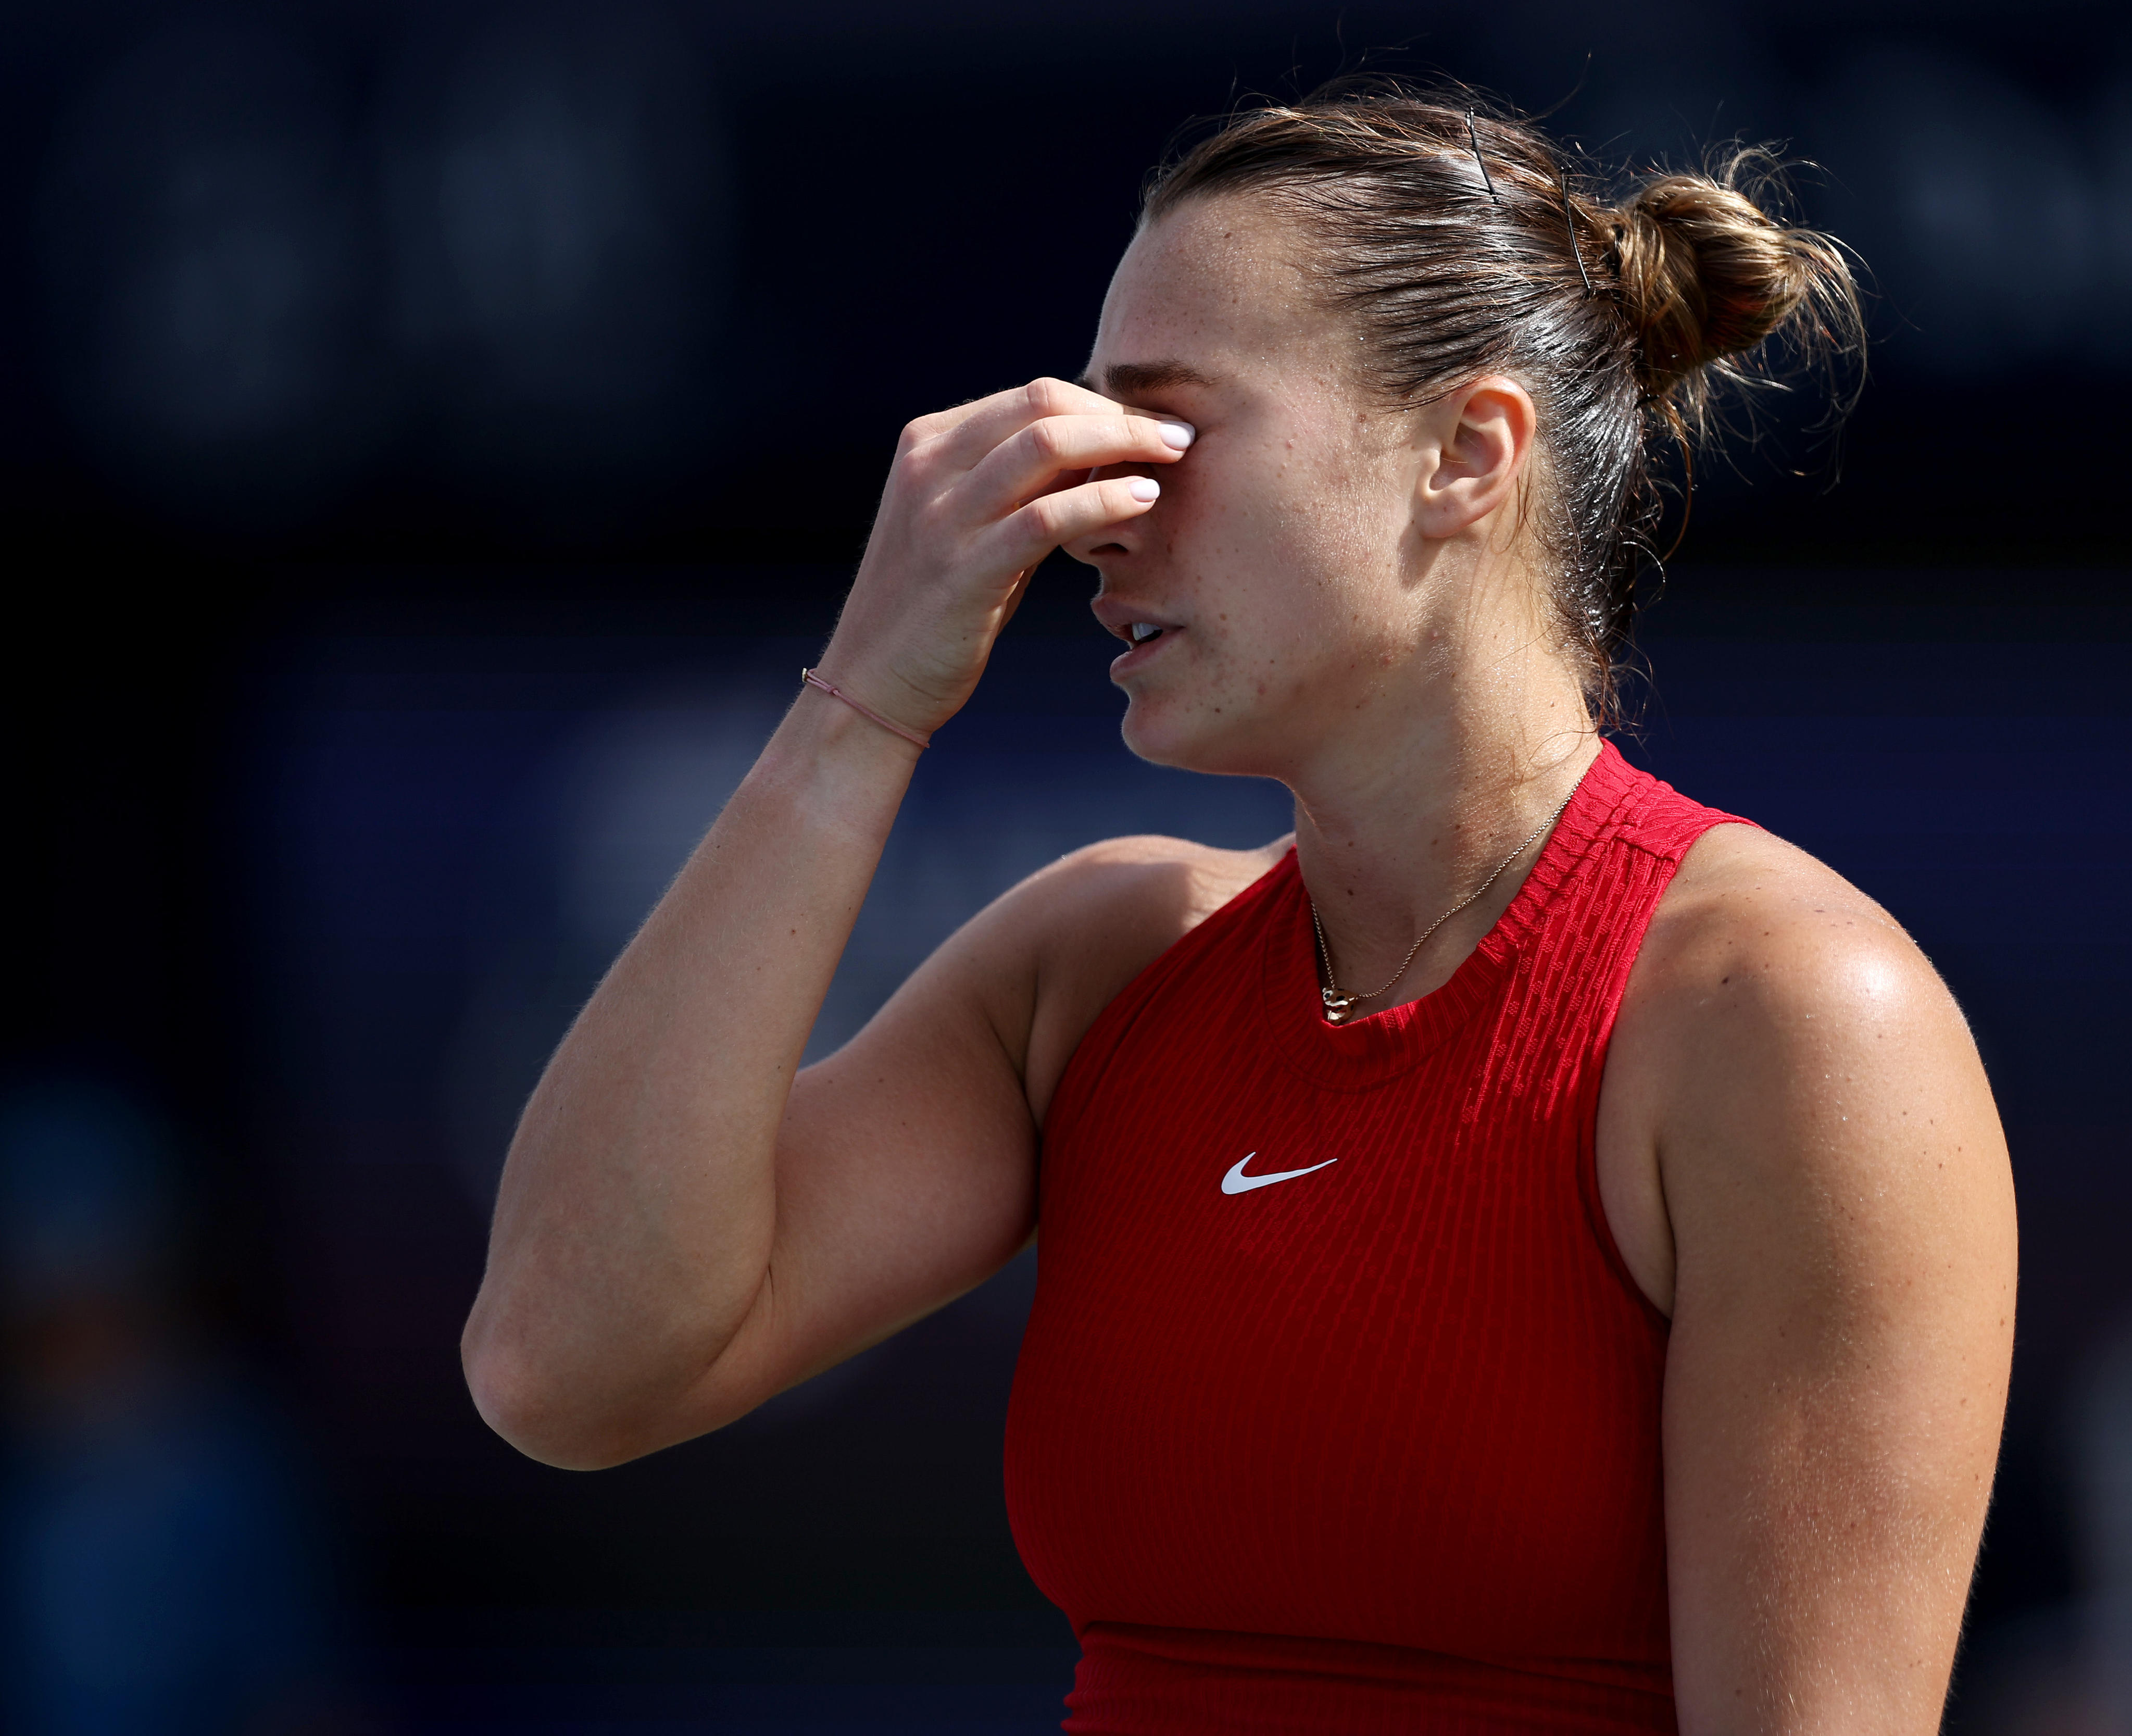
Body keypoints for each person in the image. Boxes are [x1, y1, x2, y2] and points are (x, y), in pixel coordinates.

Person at [462, 84, 2017, 1734]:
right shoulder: (1094, 962)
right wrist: (859, 705)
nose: (1099, 520)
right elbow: (565, 1368)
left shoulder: (1785, 1014)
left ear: (1464, 456)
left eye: (1169, 431)